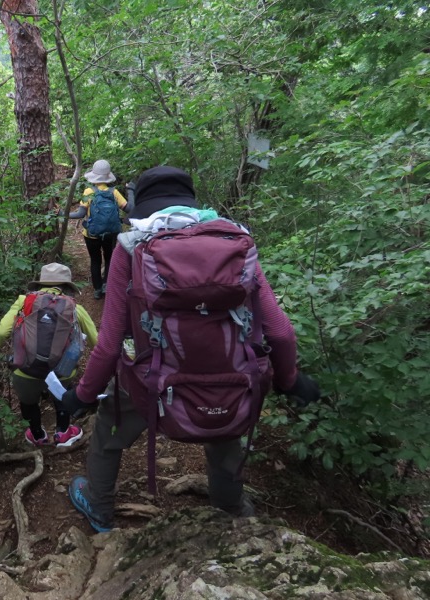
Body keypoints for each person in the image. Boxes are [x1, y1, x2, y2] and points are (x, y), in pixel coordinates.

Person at [60, 165, 320, 532]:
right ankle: (230, 512)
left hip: (153, 377)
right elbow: (279, 332)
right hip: (230, 374)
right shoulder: (236, 243)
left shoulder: (132, 248)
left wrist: (84, 395)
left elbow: (110, 343)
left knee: (108, 430)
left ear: (142, 206)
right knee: (226, 428)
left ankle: (99, 504)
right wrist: (290, 380)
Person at [0, 263, 99, 447]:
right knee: (63, 394)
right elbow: (97, 342)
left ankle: (37, 435)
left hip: (25, 370)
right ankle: (63, 433)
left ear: (40, 284)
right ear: (66, 287)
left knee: (28, 401)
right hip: (62, 371)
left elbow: (1, 332)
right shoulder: (75, 308)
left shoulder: (24, 301)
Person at [63, 160, 133, 300]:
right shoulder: (114, 192)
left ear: (94, 176)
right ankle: (107, 285)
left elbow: (80, 214)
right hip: (112, 233)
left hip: (91, 234)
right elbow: (129, 208)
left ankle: (97, 290)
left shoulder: (89, 192)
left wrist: (62, 214)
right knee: (109, 259)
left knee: (95, 261)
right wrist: (131, 191)